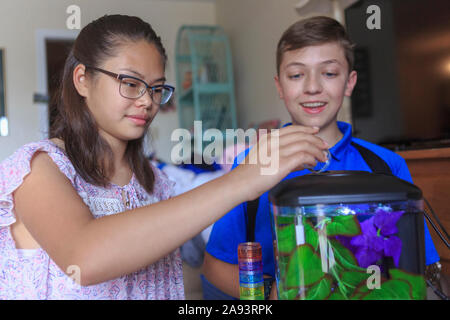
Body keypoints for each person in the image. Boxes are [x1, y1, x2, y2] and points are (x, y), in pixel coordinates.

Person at [0, 14, 329, 300]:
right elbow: (85, 257)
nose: (147, 101)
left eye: (156, 88)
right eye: (131, 83)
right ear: (83, 80)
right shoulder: (38, 168)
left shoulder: (156, 183)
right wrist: (241, 179)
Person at [202, 16, 440, 300]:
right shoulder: (253, 163)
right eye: (296, 75)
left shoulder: (388, 165)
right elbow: (214, 266)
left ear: (349, 82)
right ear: (280, 86)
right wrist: (271, 294)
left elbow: (420, 267)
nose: (312, 87)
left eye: (328, 73)